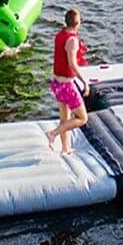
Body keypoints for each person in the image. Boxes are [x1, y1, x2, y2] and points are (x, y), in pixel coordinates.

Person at [43, 8, 90, 155]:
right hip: (66, 85)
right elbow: (72, 64)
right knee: (82, 118)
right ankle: (53, 134)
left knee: (65, 119)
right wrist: (84, 82)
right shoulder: (72, 40)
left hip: (57, 83)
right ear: (78, 23)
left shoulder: (60, 35)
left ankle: (65, 148)